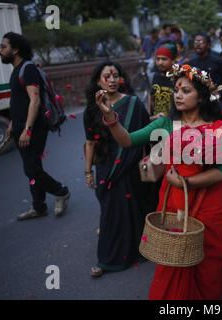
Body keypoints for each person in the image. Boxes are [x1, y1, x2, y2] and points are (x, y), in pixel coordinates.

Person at [95, 64, 222, 299]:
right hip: (173, 204)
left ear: (201, 97)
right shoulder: (165, 125)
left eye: (186, 91)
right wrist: (110, 117)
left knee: (209, 265)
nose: (178, 95)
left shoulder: (221, 130)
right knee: (173, 260)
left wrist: (185, 183)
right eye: (176, 90)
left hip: (210, 207)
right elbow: (127, 140)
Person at [84, 61, 155, 277]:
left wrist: (149, 162)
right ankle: (108, 259)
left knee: (134, 208)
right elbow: (90, 143)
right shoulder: (92, 110)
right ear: (98, 81)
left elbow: (146, 136)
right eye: (107, 76)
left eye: (116, 76)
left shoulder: (134, 104)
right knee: (110, 212)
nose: (113, 80)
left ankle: (140, 249)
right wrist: (88, 171)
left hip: (131, 165)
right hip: (107, 166)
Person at [0, 32, 70, 220]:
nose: (0, 51)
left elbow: (35, 100)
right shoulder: (17, 70)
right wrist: (13, 124)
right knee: (31, 167)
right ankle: (38, 207)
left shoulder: (27, 69)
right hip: (20, 127)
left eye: (3, 47)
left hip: (34, 128)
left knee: (32, 169)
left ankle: (61, 192)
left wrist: (27, 129)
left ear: (15, 50)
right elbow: (19, 102)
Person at [149, 44, 177, 119]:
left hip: (175, 122)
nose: (160, 62)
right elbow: (151, 98)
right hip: (156, 121)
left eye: (164, 59)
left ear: (173, 61)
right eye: (158, 59)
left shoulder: (178, 78)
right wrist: (151, 117)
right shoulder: (155, 76)